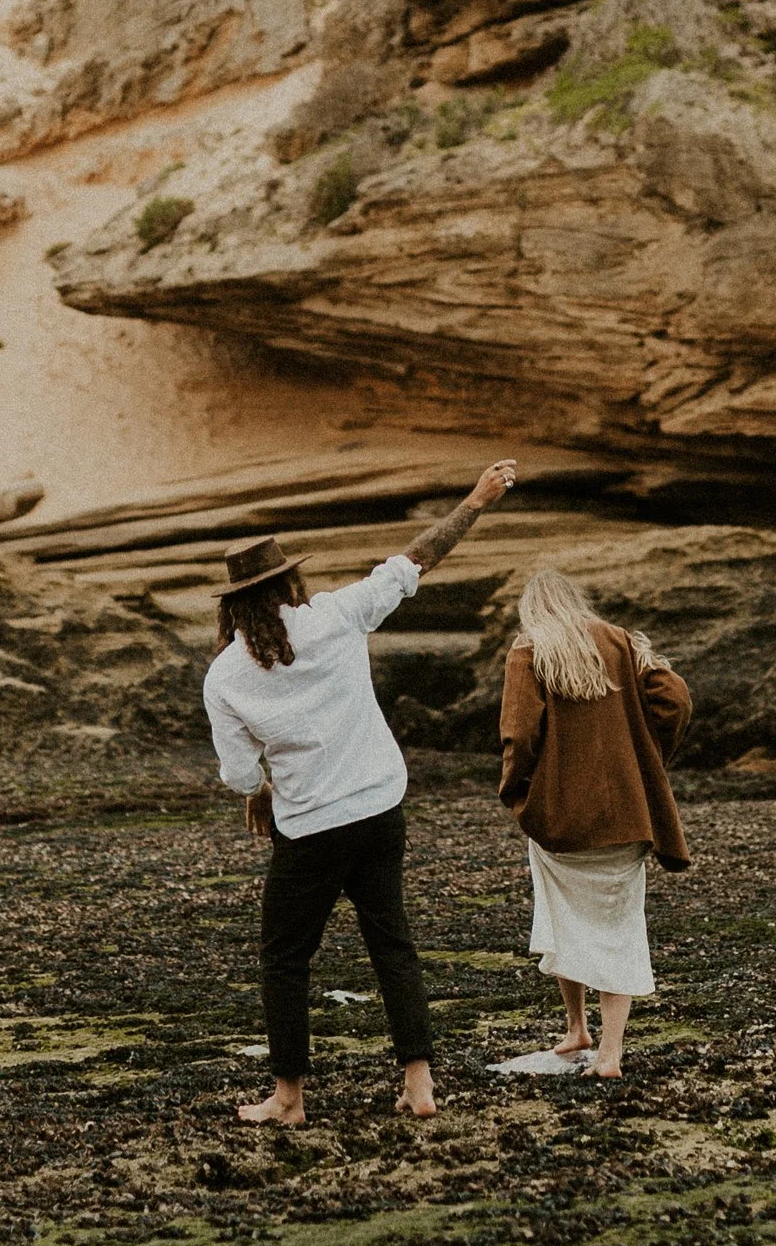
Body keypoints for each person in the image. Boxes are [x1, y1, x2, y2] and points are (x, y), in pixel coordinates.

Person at [206, 459, 519, 1126]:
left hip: (311, 825)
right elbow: (414, 559)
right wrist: (476, 497)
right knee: (392, 944)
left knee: (286, 957)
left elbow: (236, 774)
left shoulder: (226, 673)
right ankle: (420, 1083)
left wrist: (262, 784)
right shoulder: (336, 615)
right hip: (379, 806)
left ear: (233, 603)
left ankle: (288, 1098)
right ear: (290, 580)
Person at [498, 568, 692, 1079]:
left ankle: (576, 1027)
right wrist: (649, 759)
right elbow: (675, 699)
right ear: (575, 601)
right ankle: (603, 1050)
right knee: (619, 928)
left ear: (532, 609)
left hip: (560, 819)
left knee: (564, 916)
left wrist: (518, 792)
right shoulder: (619, 641)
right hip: (629, 815)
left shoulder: (528, 650)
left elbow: (519, 735)